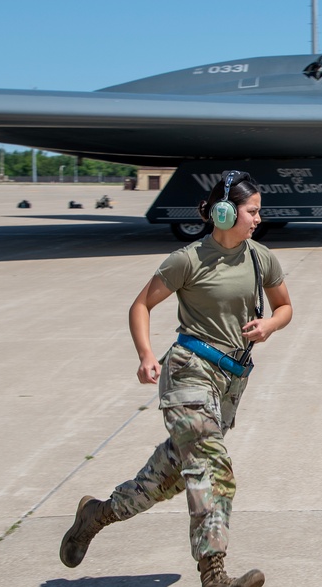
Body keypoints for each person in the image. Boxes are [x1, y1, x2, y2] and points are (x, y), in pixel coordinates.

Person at [59, 171, 292, 587]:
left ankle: (96, 515)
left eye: (259, 212)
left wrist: (270, 325)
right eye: (252, 211)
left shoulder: (261, 257)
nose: (258, 218)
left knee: (162, 482)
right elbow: (140, 306)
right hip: (188, 373)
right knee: (212, 469)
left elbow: (285, 307)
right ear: (225, 212)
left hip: (229, 385)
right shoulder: (188, 259)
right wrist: (147, 355)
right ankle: (213, 573)